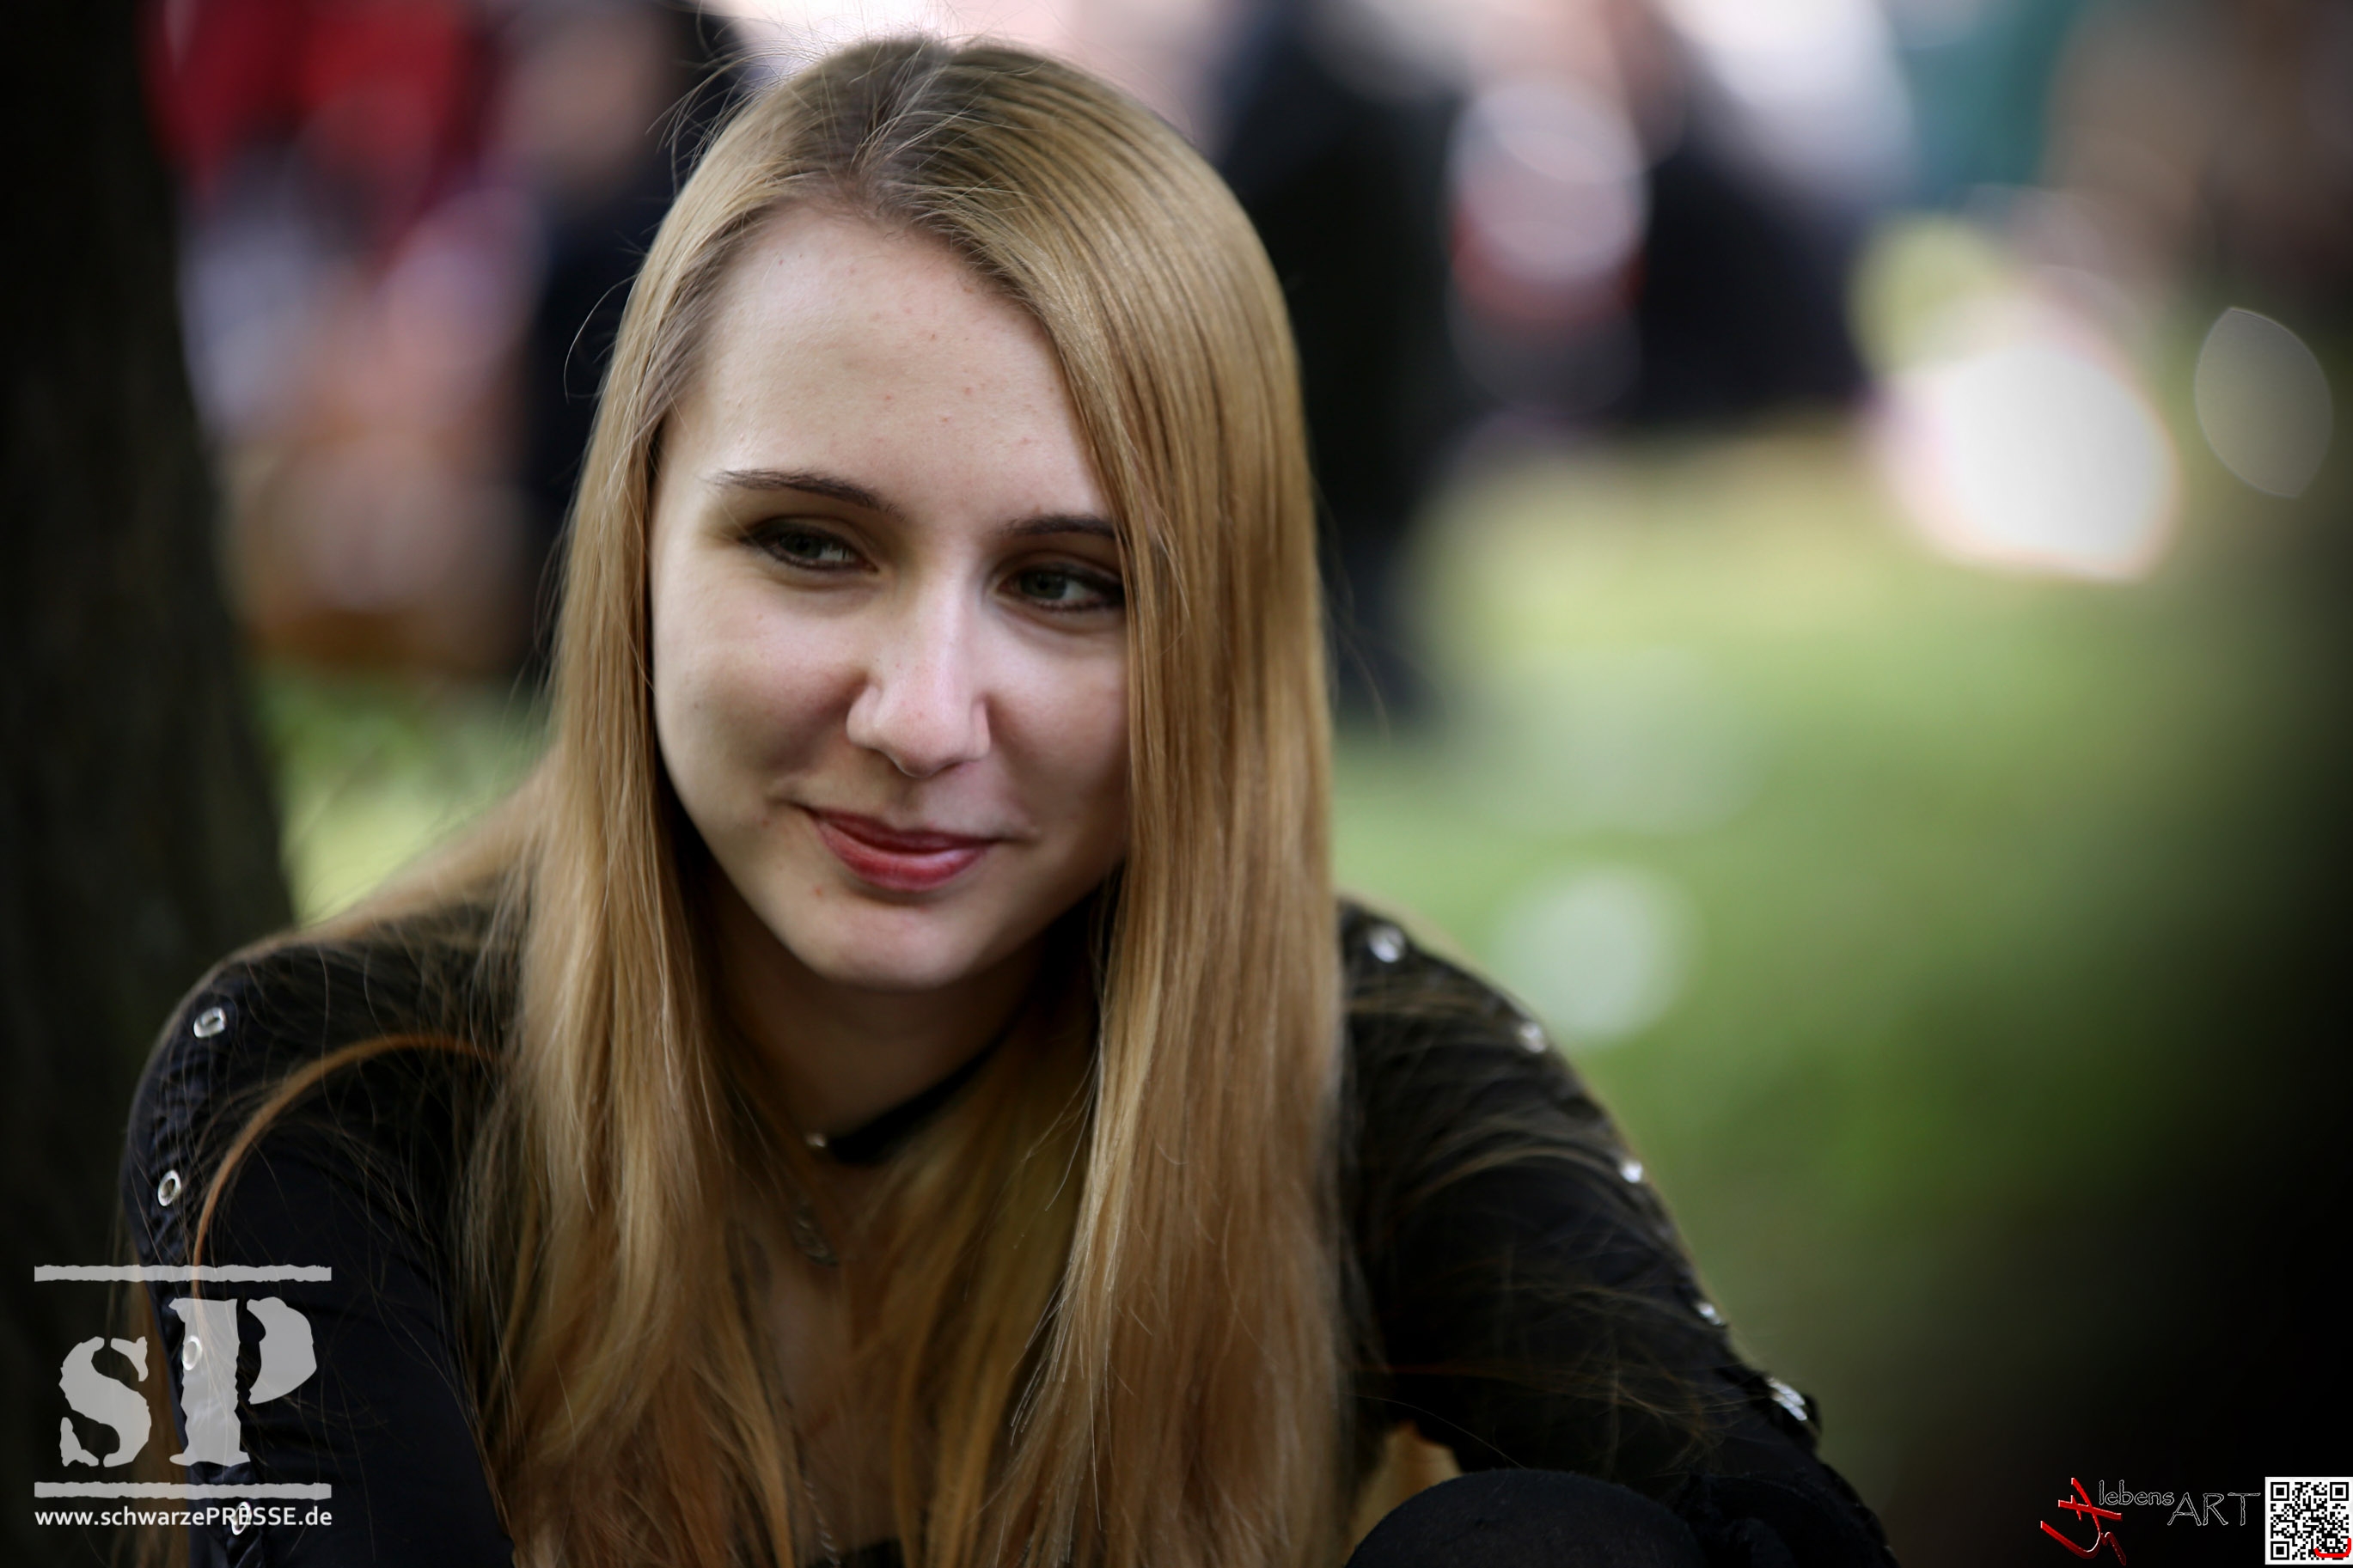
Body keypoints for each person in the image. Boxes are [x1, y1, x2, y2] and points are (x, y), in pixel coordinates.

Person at [120, 38, 1897, 1568]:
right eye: (811, 544)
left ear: (1222, 638)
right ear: (635, 543)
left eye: (1068, 583)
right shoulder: (312, 1083)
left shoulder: (1363, 1062)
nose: (920, 716)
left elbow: (1764, 1521)